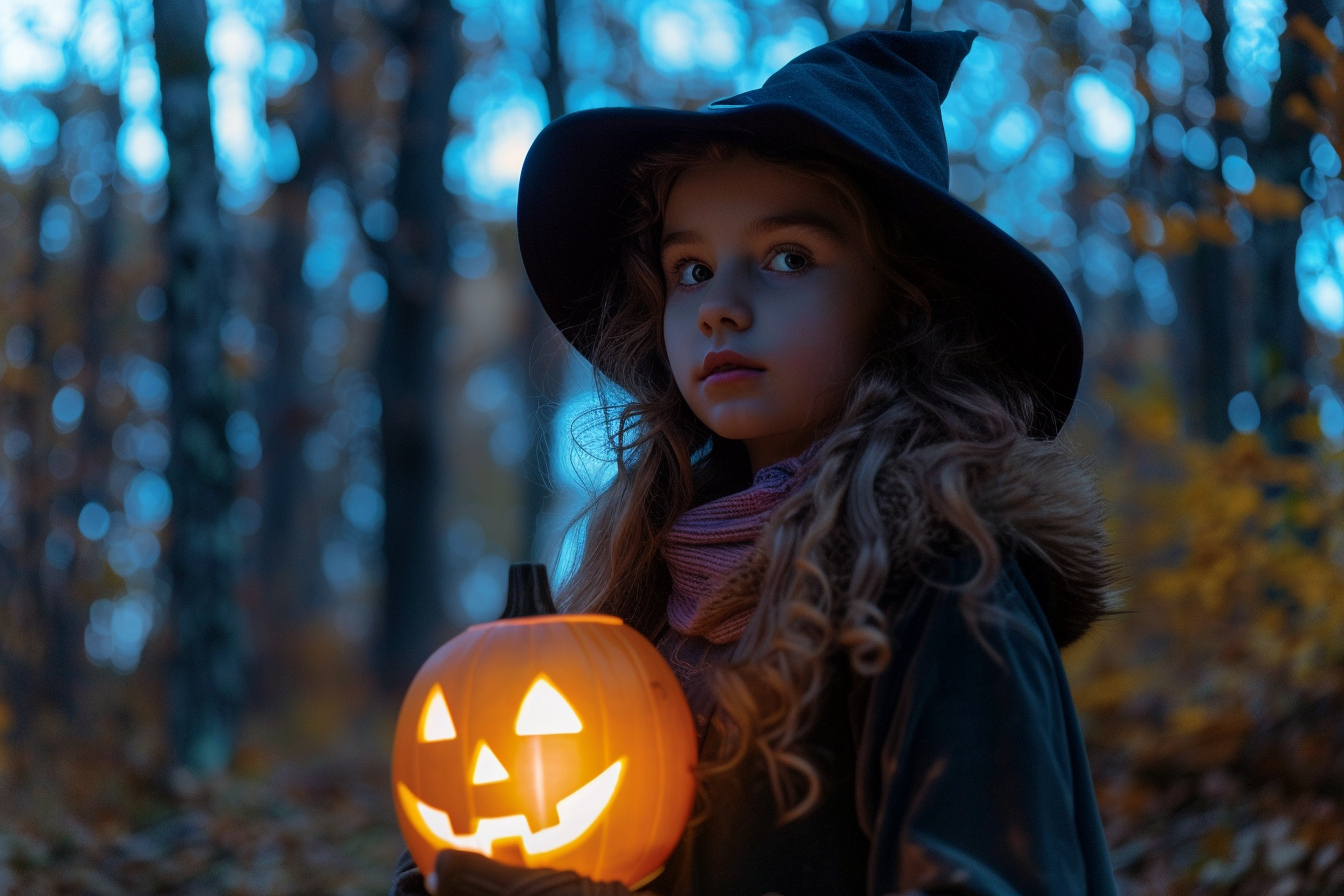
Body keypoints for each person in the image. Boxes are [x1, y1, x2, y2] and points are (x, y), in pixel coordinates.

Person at [392, 22, 1119, 896]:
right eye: (690, 269)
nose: (719, 309)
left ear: (903, 306)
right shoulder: (645, 588)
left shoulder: (945, 584)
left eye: (786, 258)